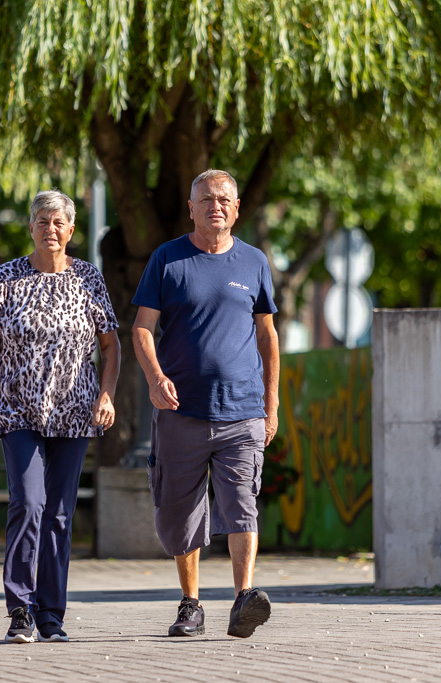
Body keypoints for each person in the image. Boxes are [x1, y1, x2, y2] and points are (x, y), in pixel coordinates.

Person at [0, 190, 120, 644]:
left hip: (74, 412)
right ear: (31, 228)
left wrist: (107, 395)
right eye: (43, 221)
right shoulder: (7, 277)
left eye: (58, 222)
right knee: (29, 503)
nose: (51, 229)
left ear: (71, 230)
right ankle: (20, 608)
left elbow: (111, 347)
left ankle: (50, 614)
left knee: (60, 514)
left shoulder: (88, 278)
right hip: (17, 410)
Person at [131, 169, 279, 639]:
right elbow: (141, 328)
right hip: (181, 413)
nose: (216, 206)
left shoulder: (254, 262)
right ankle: (190, 605)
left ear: (236, 209)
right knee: (181, 513)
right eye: (207, 200)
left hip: (242, 411)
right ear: (191, 208)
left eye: (224, 200)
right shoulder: (167, 259)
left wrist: (272, 402)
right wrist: (155, 377)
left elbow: (267, 336)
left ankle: (244, 599)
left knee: (242, 505)